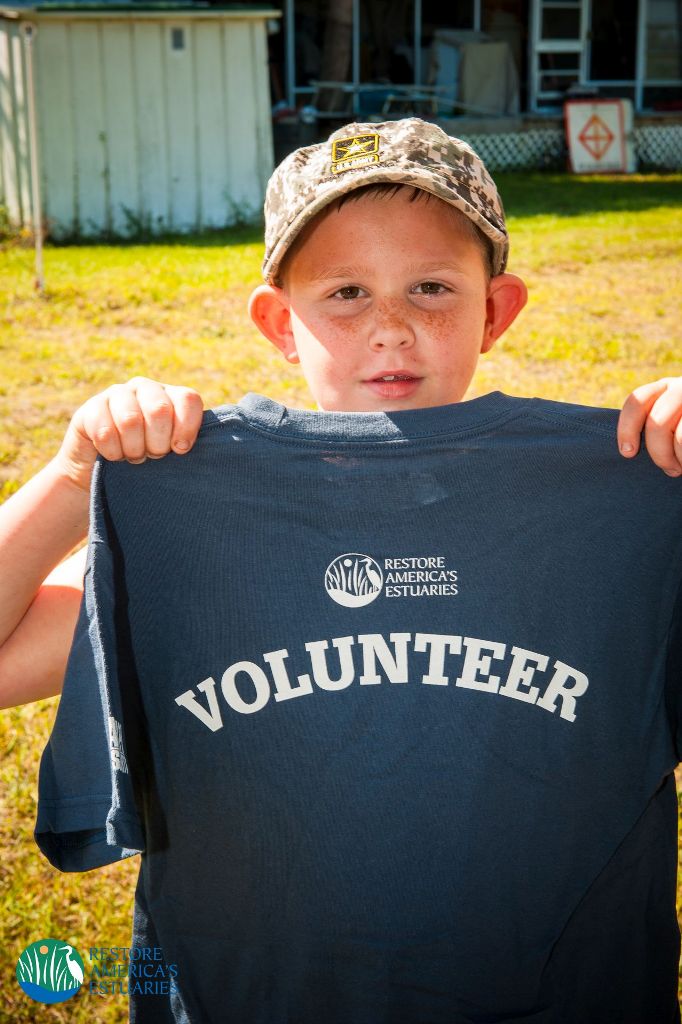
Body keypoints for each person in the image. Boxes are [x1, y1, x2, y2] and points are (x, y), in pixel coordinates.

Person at [2, 118, 681, 1022]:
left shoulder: (619, 500)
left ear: (496, 309)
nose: (391, 329)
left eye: (431, 288)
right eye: (347, 292)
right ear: (280, 323)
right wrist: (71, 477)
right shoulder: (195, 517)